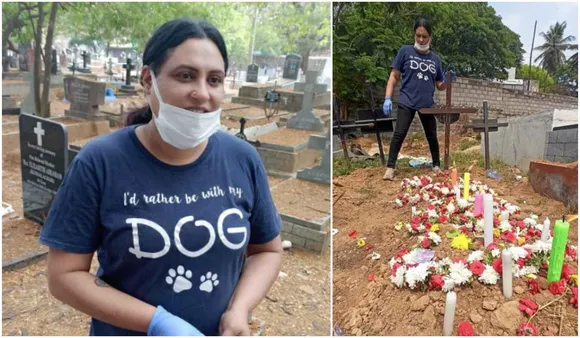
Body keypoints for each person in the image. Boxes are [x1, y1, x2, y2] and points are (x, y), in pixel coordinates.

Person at [39, 18, 283, 336]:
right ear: (147, 80)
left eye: (214, 80)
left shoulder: (241, 159)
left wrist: (238, 310)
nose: (202, 93)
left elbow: (267, 250)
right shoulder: (100, 162)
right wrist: (158, 323)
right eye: (185, 76)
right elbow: (63, 276)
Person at [382, 18, 456, 180]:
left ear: (430, 37)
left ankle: (436, 164)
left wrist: (448, 82)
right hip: (407, 100)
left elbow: (439, 85)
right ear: (414, 35)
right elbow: (394, 76)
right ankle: (390, 167)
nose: (421, 40)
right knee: (399, 133)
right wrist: (388, 97)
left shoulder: (435, 59)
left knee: (431, 135)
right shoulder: (405, 51)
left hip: (427, 104)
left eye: (425, 36)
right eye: (418, 36)